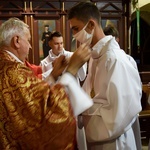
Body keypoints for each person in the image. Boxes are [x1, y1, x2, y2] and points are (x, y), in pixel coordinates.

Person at [0, 17, 93, 149]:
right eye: (28, 40)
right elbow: (48, 109)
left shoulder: (5, 65)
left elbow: (35, 95)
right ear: (16, 41)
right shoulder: (13, 71)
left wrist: (54, 74)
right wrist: (71, 70)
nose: (30, 46)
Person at [68, 1, 142, 150]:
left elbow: (119, 114)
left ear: (91, 24)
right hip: (98, 139)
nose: (75, 36)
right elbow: (89, 94)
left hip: (115, 142)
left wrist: (83, 111)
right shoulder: (95, 57)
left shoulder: (116, 59)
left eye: (76, 29)